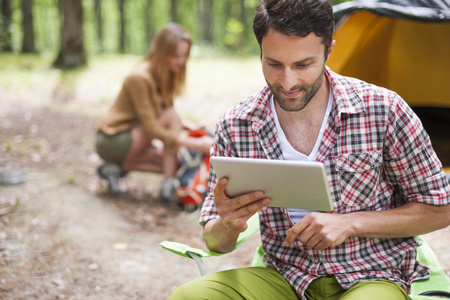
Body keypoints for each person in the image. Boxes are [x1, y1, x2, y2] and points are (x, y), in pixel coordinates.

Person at [170, 0, 450, 299]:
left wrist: (350, 223)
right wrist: (228, 224)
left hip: (370, 275)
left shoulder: (383, 110)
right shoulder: (237, 124)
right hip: (284, 277)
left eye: (303, 65)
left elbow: (440, 210)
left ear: (329, 50)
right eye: (274, 64)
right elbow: (216, 242)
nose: (288, 82)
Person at [95, 23, 211, 194]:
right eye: (176, 55)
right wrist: (195, 143)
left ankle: (114, 169)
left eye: (185, 55)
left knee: (176, 161)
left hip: (134, 138)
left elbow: (160, 111)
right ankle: (168, 187)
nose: (182, 61)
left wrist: (192, 127)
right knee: (171, 120)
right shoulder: (139, 77)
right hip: (113, 140)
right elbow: (153, 127)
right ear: (162, 53)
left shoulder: (165, 74)